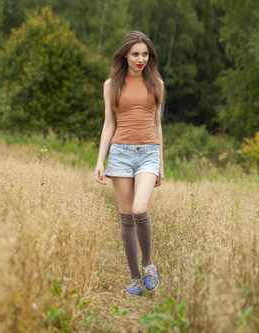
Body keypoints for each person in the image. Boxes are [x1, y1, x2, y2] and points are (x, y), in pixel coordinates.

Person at [94, 31, 165, 296]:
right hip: (120, 153)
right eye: (135, 54)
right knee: (126, 217)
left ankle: (148, 265)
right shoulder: (111, 84)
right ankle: (135, 278)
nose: (140, 59)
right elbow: (108, 124)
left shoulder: (156, 82)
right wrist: (100, 161)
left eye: (145, 54)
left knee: (139, 209)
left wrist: (160, 163)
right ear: (124, 54)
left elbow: (157, 125)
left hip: (148, 152)